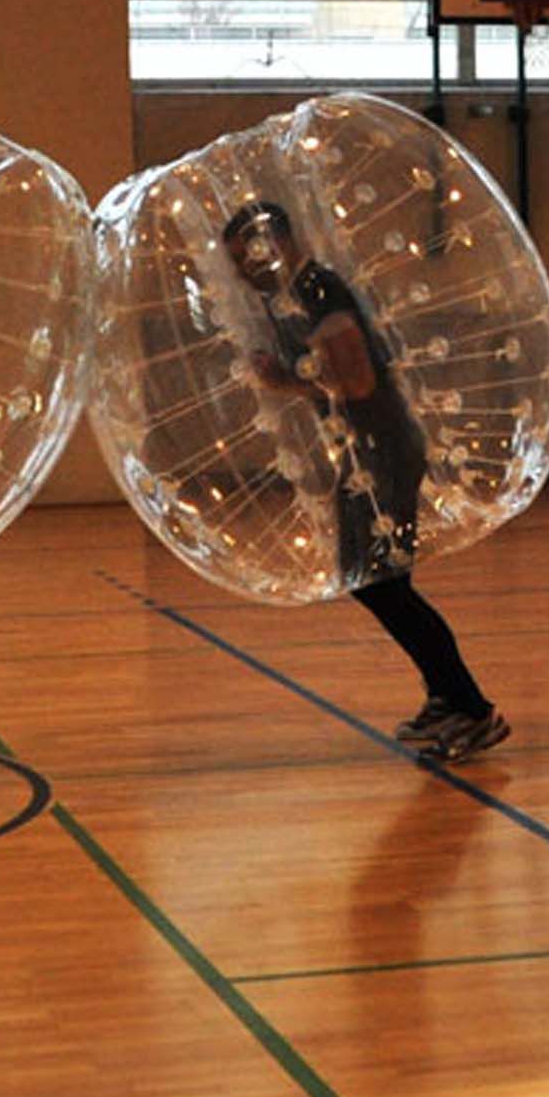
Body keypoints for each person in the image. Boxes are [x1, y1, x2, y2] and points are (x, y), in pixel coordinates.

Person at [221, 199, 508, 764]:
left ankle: (473, 710)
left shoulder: (318, 291)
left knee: (382, 584)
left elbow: (356, 382)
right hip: (366, 455)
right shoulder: (297, 296)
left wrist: (288, 382)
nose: (242, 272)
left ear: (275, 245)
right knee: (376, 582)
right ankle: (446, 695)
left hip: (384, 453)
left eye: (246, 258)